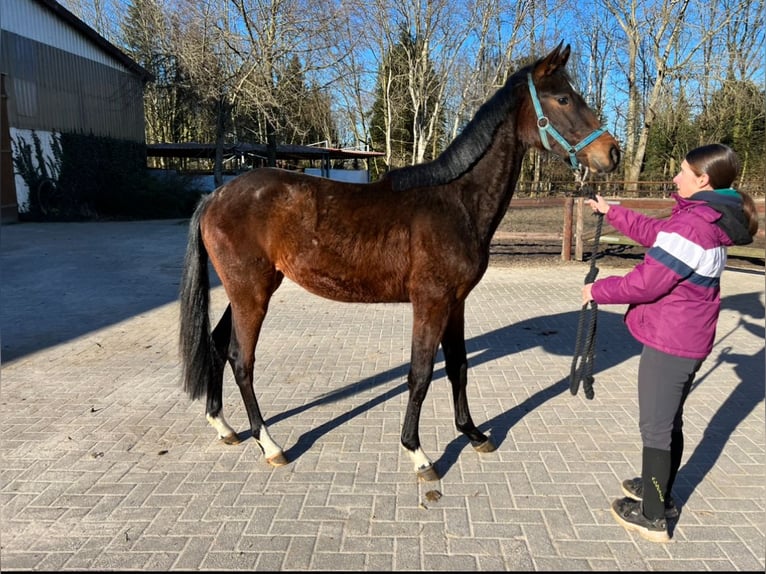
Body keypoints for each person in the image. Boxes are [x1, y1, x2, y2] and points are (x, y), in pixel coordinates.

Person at [581, 143, 759, 543]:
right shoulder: (704, 217)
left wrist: (598, 290)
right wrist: (613, 212)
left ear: (703, 180)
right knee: (668, 420)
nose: (675, 178)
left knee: (656, 427)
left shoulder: (693, 225)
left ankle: (654, 516)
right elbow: (656, 235)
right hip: (688, 337)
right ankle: (657, 490)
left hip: (671, 341)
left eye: (682, 172)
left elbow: (647, 283)